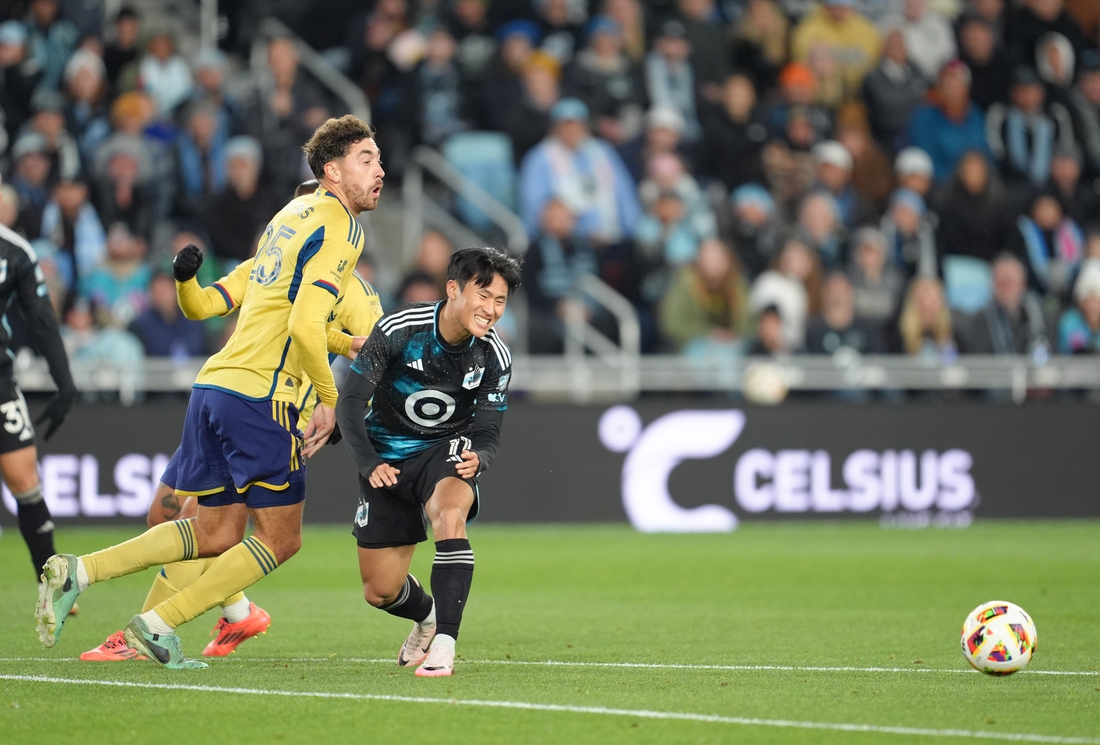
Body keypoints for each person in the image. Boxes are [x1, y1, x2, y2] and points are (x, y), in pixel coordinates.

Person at [35, 115, 381, 669]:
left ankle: (85, 573)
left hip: (216, 387)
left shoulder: (289, 229)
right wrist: (329, 398)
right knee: (278, 539)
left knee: (210, 529)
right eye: (367, 159)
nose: (380, 170)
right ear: (330, 175)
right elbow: (304, 326)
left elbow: (227, 309)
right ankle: (162, 623)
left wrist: (183, 279)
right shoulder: (340, 230)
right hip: (262, 399)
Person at [336, 246, 522, 678]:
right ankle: (428, 617)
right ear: (453, 289)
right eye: (483, 295)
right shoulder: (399, 329)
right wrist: (368, 463)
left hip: (444, 450)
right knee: (380, 591)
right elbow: (351, 402)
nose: (491, 309)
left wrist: (482, 457)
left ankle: (445, 644)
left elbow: (488, 431)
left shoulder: (494, 355)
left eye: (500, 300)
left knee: (450, 515)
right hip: (386, 459)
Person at [0, 197, 77, 587]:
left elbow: (41, 316)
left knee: (23, 478)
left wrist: (64, 382)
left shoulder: (14, 251)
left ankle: (51, 588)